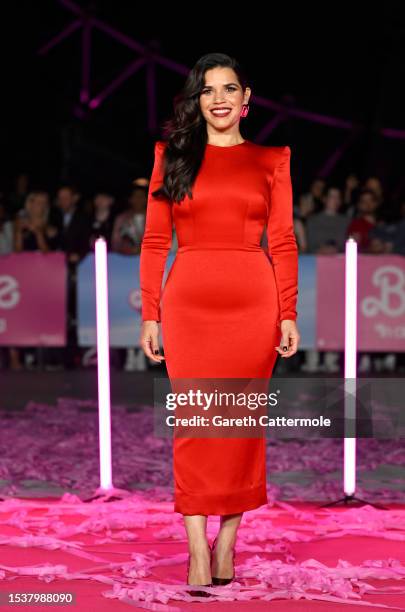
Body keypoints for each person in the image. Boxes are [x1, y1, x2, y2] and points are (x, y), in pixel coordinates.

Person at [139, 52, 300, 595]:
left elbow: (282, 241)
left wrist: (288, 311)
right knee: (195, 427)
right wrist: (149, 313)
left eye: (230, 88)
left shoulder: (272, 159)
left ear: (247, 99)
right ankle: (195, 549)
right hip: (188, 308)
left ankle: (227, 540)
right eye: (209, 90)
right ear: (198, 101)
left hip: (252, 309)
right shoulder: (172, 156)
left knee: (238, 429)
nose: (221, 98)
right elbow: (155, 241)